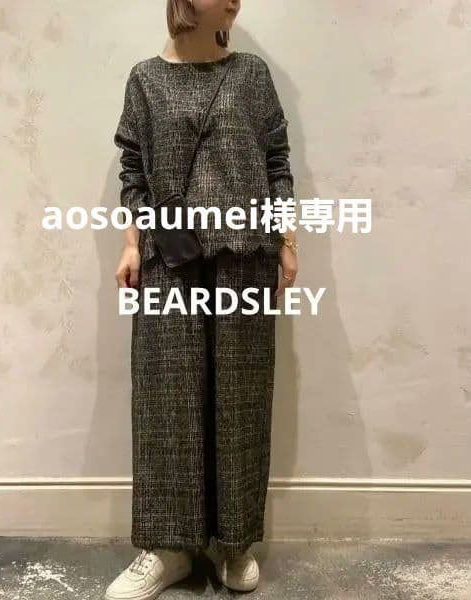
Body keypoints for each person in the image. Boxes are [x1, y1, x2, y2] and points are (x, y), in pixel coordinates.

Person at [106, 1, 298, 598]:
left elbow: (277, 162)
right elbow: (134, 172)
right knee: (167, 401)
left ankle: (236, 542)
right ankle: (168, 549)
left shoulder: (252, 75)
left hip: (246, 256)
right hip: (170, 257)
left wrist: (287, 240)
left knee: (241, 399)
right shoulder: (145, 79)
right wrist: (131, 244)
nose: (236, 0)